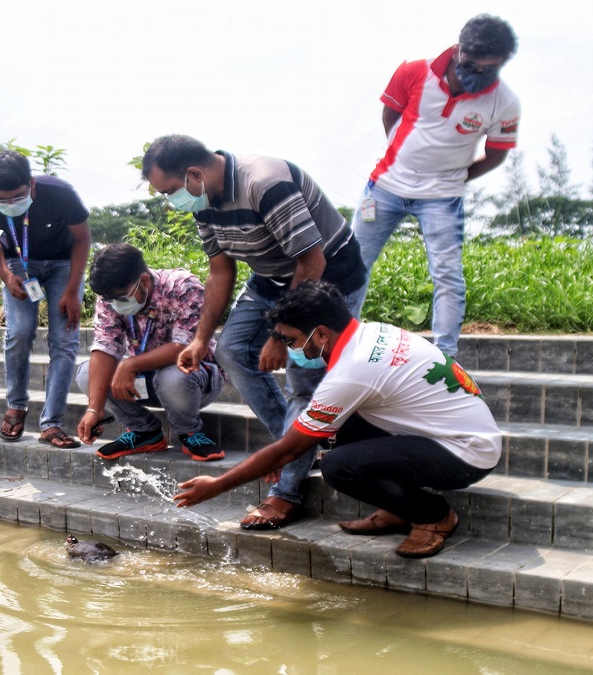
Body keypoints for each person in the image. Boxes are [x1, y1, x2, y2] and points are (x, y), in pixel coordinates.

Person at [174, 281, 501, 558]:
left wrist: (217, 485)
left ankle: (434, 516)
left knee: (338, 467)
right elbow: (303, 437)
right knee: (336, 430)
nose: (289, 349)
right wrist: (279, 454)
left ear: (319, 335)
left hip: (465, 454)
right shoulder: (373, 333)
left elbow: (289, 449)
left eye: (290, 340)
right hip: (460, 432)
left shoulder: (351, 372)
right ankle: (400, 507)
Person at [142, 134, 366, 530]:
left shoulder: (264, 182)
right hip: (272, 278)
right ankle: (295, 444)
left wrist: (280, 337)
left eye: (170, 191)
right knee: (229, 351)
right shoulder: (204, 200)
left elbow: (311, 260)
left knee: (303, 377)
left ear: (193, 174)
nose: (170, 201)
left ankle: (286, 492)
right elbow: (220, 271)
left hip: (327, 279)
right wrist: (199, 338)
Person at [353, 14, 520, 357]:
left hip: (442, 199)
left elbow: (496, 155)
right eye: (471, 65)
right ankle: (338, 345)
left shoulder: (504, 103)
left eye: (488, 69)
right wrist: (406, 159)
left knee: (447, 276)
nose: (477, 74)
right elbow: (390, 115)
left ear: (502, 63)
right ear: (459, 50)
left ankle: (445, 357)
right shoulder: (414, 72)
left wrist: (455, 176)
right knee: (352, 264)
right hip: (384, 188)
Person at [0, 150, 91, 449]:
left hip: (64, 264)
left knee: (64, 340)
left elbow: (82, 238)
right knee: (19, 332)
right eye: (2, 199)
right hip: (19, 264)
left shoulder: (60, 193)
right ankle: (16, 406)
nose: (10, 204)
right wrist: (6, 276)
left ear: (31, 184)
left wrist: (73, 290)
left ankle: (51, 424)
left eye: (18, 196)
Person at [74, 243, 225, 461]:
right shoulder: (110, 297)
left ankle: (190, 432)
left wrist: (130, 365)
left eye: (122, 297)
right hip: (144, 380)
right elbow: (105, 346)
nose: (116, 305)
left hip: (194, 378)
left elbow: (185, 347)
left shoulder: (182, 286)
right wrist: (93, 410)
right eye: (110, 299)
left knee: (172, 376)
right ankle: (145, 432)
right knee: (87, 373)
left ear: (144, 280)